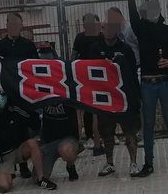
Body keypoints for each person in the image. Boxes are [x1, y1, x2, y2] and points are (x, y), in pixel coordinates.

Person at [127, 0, 168, 176]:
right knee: (147, 125)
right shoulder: (141, 29)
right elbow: (133, 18)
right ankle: (148, 164)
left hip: (166, 82)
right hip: (147, 84)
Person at [98, 15, 142, 177]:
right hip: (105, 99)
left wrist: (137, 98)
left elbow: (132, 74)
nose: (108, 31)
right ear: (101, 30)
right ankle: (109, 163)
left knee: (129, 132)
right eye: (105, 28)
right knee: (107, 132)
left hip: (124, 99)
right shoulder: (96, 49)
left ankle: (134, 163)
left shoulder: (126, 49)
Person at [0, 100, 55, 192]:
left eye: (2, 93)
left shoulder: (16, 109)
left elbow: (35, 124)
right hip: (3, 157)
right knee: (5, 186)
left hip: (19, 150)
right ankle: (7, 174)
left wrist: (28, 108)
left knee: (32, 143)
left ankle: (41, 179)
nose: (0, 97)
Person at [72, 13, 107, 155]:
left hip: (81, 76)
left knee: (79, 111)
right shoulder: (101, 37)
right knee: (95, 112)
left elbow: (73, 56)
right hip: (97, 76)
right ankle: (98, 145)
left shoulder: (80, 37)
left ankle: (78, 142)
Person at [39, 101, 81, 182]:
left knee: (66, 150)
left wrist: (78, 138)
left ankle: (70, 165)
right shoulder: (42, 92)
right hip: (48, 140)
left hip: (68, 137)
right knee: (39, 178)